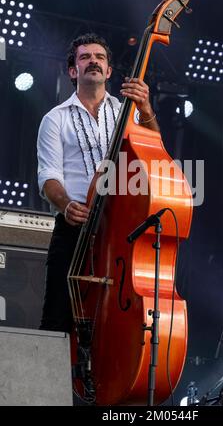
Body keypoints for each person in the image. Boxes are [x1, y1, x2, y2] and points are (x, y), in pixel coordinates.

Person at [37, 32, 159, 333]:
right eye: (85, 57)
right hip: (74, 228)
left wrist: (145, 111)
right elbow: (48, 175)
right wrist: (66, 206)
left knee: (117, 321)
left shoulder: (125, 113)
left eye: (99, 57)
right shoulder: (55, 119)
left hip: (119, 228)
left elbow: (155, 152)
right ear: (72, 70)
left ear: (108, 71)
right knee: (57, 317)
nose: (93, 61)